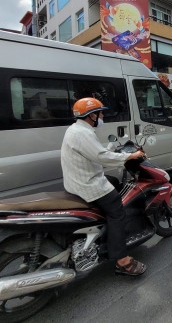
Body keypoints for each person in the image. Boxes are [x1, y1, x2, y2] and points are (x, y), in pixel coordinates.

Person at [61, 97, 148, 277]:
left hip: (77, 180)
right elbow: (101, 156)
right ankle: (122, 260)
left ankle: (103, 230)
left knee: (114, 181)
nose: (102, 116)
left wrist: (113, 151)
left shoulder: (75, 129)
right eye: (100, 113)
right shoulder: (82, 133)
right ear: (91, 115)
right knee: (117, 209)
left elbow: (95, 152)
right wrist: (128, 157)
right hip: (87, 184)